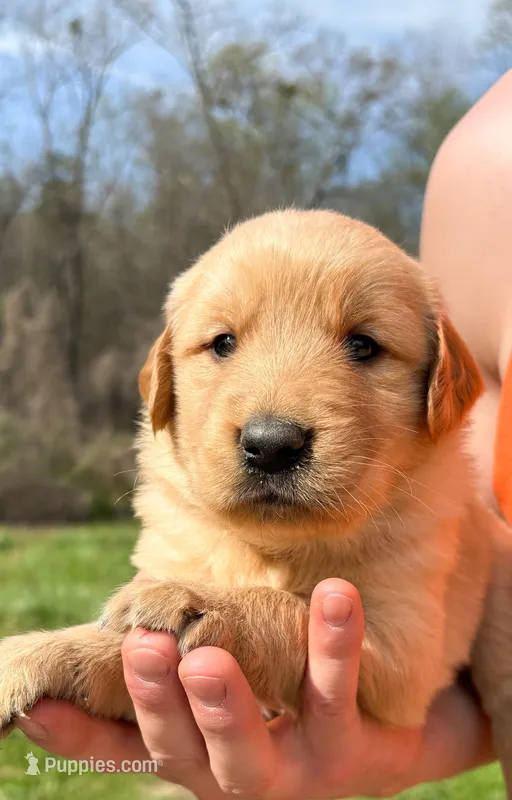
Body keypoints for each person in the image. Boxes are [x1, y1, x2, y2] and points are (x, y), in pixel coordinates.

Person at [11, 70, 512, 799]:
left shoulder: (429, 506)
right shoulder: (485, 162)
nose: (273, 427)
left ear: (442, 391)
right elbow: (164, 661)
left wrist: (249, 628)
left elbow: (396, 679)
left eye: (365, 346)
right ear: (164, 384)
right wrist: (74, 661)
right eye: (220, 344)